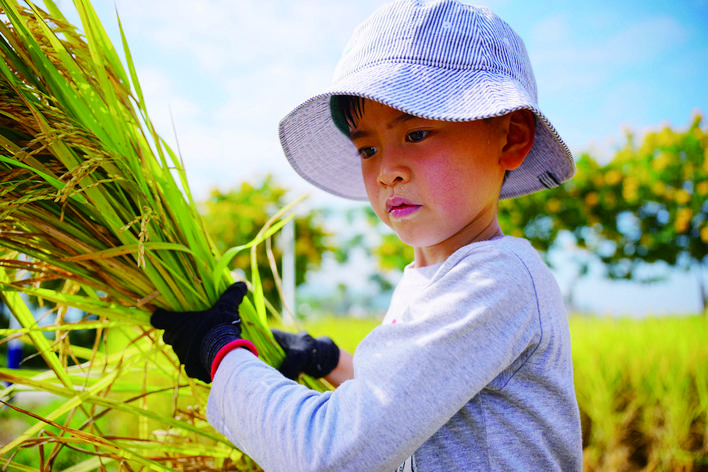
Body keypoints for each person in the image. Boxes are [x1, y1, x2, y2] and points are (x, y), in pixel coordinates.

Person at [150, 0, 583, 470]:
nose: (386, 172)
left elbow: (332, 452)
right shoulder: (430, 277)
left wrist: (221, 353)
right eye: (368, 149)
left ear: (510, 138)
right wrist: (328, 359)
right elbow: (407, 397)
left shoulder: (498, 281)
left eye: (416, 134)